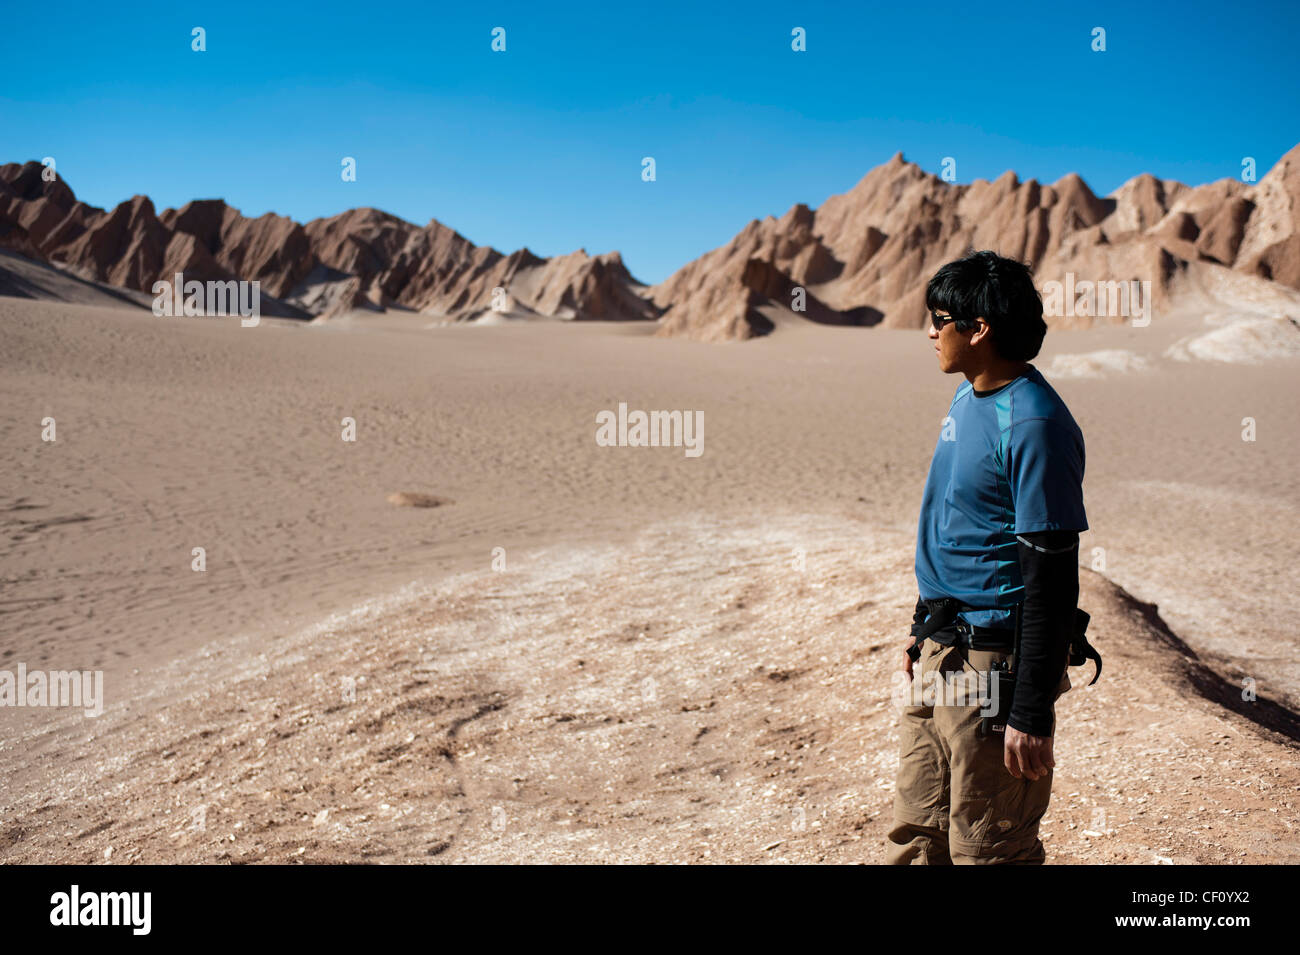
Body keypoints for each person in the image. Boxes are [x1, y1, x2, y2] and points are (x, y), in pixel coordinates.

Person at [886, 250, 1088, 865]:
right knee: (919, 835)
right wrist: (923, 627)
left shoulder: (1032, 424)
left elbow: (1052, 578)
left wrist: (1029, 711)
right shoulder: (968, 396)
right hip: (944, 649)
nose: (930, 333)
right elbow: (958, 524)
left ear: (978, 330)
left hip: (994, 668)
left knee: (989, 850)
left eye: (939, 320)